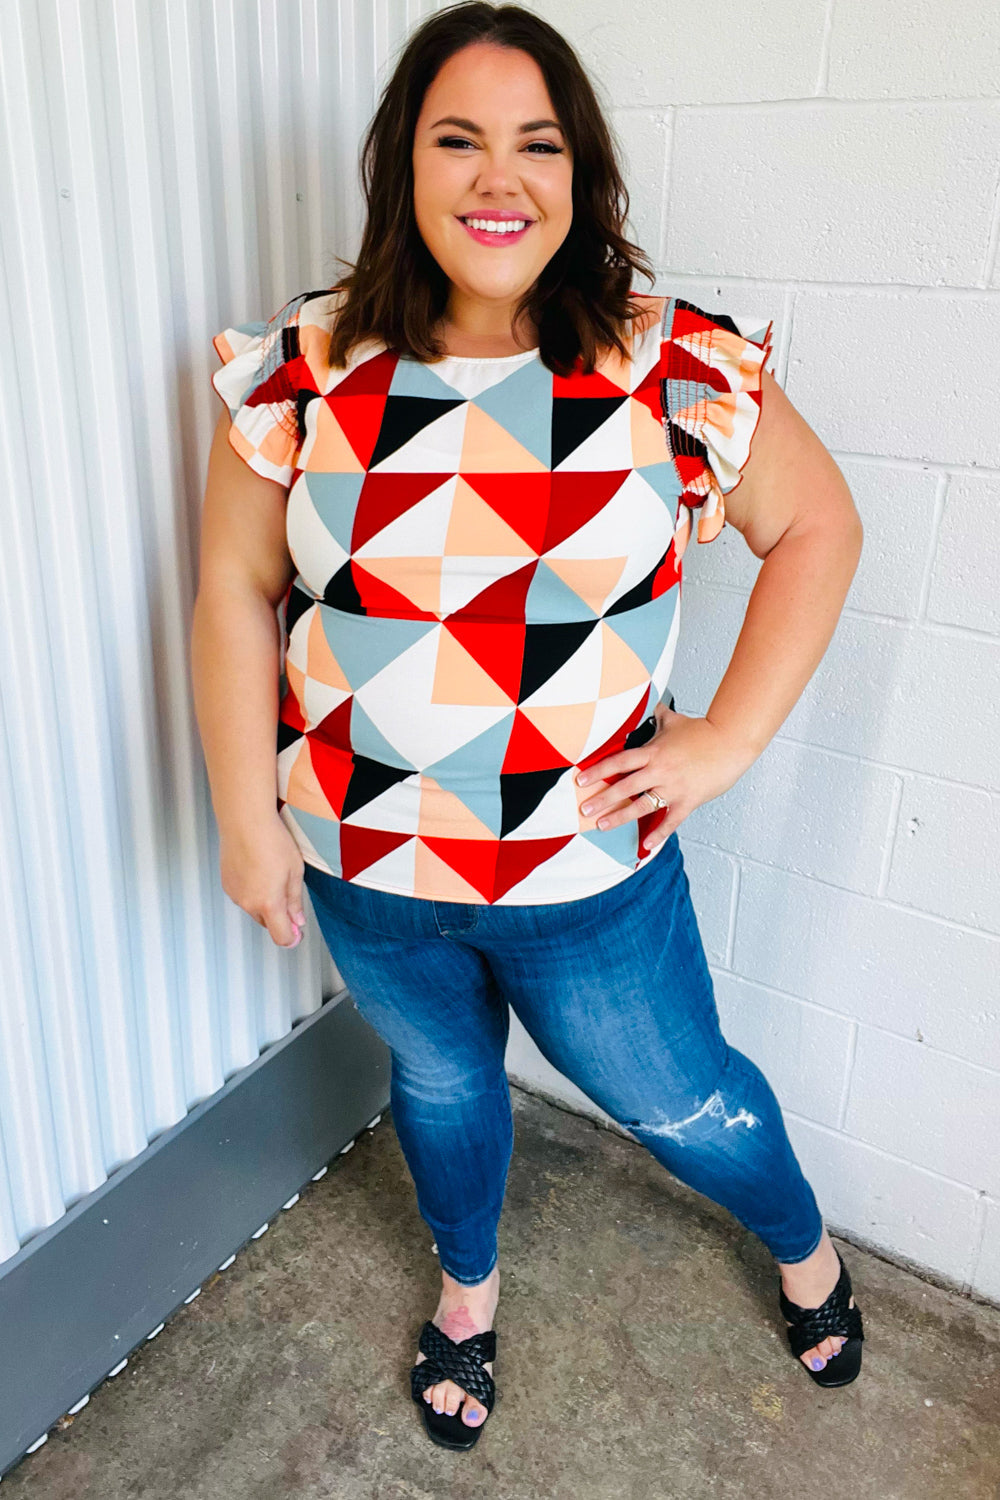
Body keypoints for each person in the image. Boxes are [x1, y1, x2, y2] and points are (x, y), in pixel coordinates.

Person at [192, 1, 866, 1453]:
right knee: (438, 1084)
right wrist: (251, 819)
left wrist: (723, 742)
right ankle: (467, 1290)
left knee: (682, 1101)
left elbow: (817, 526)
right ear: (402, 168)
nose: (499, 177)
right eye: (459, 140)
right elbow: (235, 590)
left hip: (586, 882)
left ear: (582, 174)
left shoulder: (662, 360)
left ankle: (807, 1249)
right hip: (368, 874)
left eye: (536, 144)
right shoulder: (303, 369)